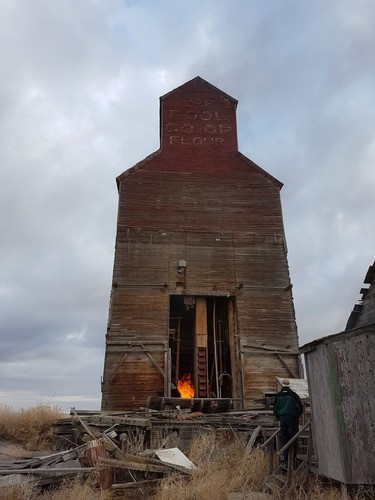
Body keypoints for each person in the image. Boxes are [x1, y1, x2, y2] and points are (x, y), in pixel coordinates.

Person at [273, 378, 303, 465]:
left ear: (282, 385)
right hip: (292, 418)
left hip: (282, 418)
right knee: (294, 438)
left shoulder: (278, 396)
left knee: (285, 438)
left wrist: (279, 417)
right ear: (289, 385)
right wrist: (297, 415)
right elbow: (300, 407)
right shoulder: (294, 395)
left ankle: (285, 459)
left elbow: (275, 409)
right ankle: (294, 458)